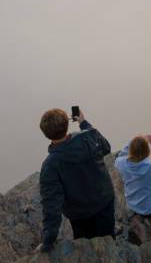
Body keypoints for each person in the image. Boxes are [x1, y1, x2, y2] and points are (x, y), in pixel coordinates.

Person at [37, 108, 115, 252]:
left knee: (86, 249)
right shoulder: (89, 137)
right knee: (109, 241)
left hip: (80, 215)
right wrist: (84, 123)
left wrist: (47, 242)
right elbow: (106, 148)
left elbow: (51, 206)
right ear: (67, 123)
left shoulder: (50, 165)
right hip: (104, 202)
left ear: (46, 134)